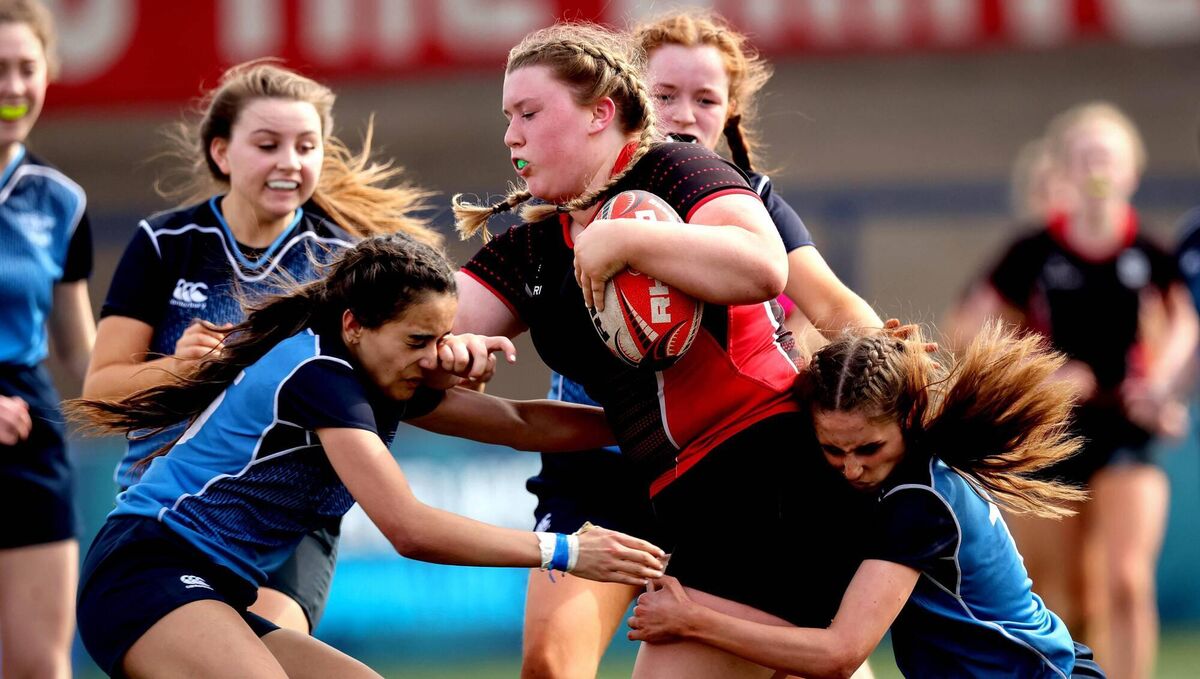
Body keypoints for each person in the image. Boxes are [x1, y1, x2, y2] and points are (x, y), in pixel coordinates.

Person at [449, 21, 884, 679]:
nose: (511, 135)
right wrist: (446, 351)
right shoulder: (535, 244)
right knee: (548, 663)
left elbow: (768, 270)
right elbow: (426, 322)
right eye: (508, 116)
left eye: (529, 113)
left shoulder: (686, 170)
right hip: (630, 473)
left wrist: (625, 241)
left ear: (604, 113)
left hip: (761, 471)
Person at [68, 234, 667, 679]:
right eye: (418, 341)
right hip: (143, 573)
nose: (435, 359)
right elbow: (409, 530)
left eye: (440, 338)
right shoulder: (320, 377)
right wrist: (564, 550)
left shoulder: (375, 370)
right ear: (354, 326)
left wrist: (665, 424)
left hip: (204, 585)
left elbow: (520, 421)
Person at [82, 60, 437, 634]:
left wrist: (451, 359)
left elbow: (390, 370)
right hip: (171, 509)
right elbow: (100, 392)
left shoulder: (342, 261)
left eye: (306, 145)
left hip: (287, 517)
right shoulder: (165, 244)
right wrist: (179, 368)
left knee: (261, 651)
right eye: (268, 145)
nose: (290, 163)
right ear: (222, 154)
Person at [628, 323, 1107, 678]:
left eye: (868, 448)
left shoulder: (918, 500)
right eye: (833, 450)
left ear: (909, 416)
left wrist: (692, 621)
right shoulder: (891, 481)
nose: (852, 467)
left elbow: (839, 655)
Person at [949, 102, 1197, 678]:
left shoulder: (1150, 255)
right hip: (1054, 436)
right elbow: (968, 327)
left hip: (1126, 434)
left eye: (1108, 156)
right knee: (1066, 600)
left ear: (1131, 171)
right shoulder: (1032, 252)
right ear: (1065, 169)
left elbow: (1185, 325)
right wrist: (1039, 373)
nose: (1097, 168)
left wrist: (1158, 388)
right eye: (1085, 156)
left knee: (1127, 582)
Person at [0, 1, 95, 676]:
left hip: (26, 434)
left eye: (26, 68)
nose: (12, 87)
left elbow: (83, 351)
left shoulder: (60, 200)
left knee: (40, 665)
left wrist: (168, 408)